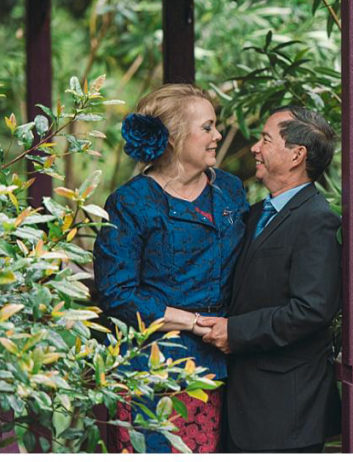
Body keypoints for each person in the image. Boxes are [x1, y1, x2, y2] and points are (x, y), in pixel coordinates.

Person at [94, 84, 249, 452]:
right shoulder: (130, 203)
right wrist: (194, 322)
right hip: (153, 371)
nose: (218, 136)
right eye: (207, 127)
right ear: (175, 138)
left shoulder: (229, 189)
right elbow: (117, 295)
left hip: (228, 367)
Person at [198, 106, 342, 452]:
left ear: (296, 155)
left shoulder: (317, 220)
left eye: (265, 139)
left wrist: (236, 331)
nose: (254, 148)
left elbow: (311, 310)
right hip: (244, 404)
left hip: (285, 415)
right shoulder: (259, 213)